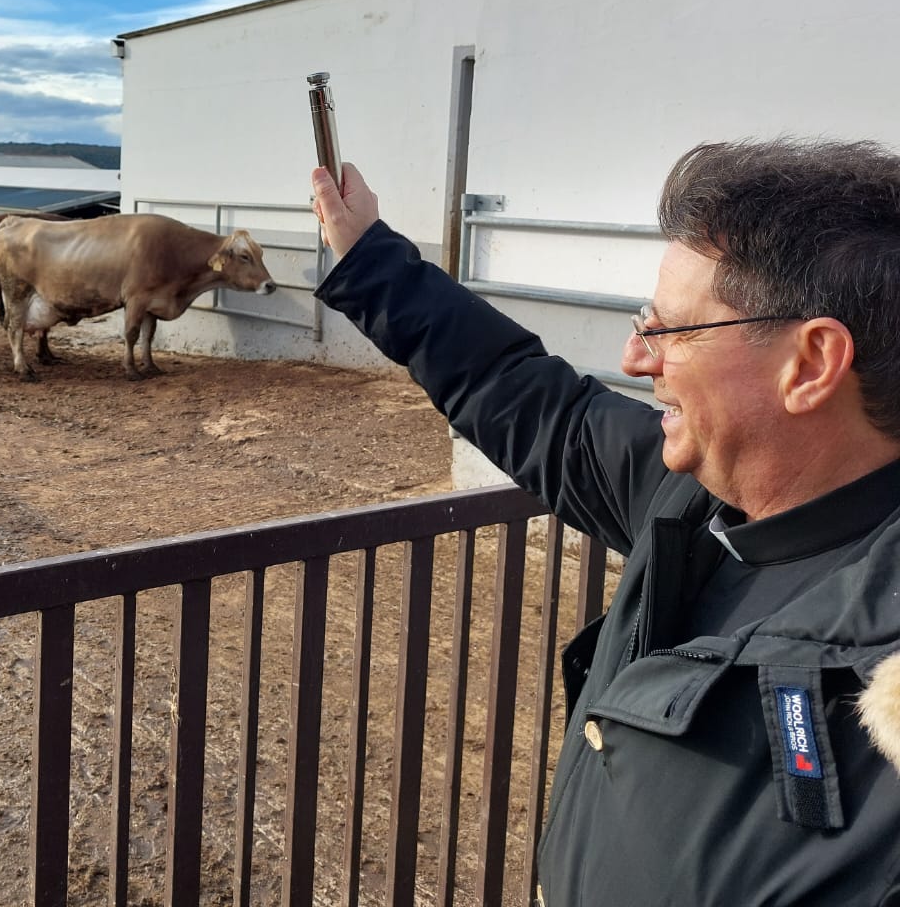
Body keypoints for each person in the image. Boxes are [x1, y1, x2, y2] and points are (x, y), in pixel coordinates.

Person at [309, 139, 900, 907]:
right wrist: (370, 257)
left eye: (671, 330)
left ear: (812, 363)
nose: (634, 357)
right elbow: (523, 394)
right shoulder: (690, 497)